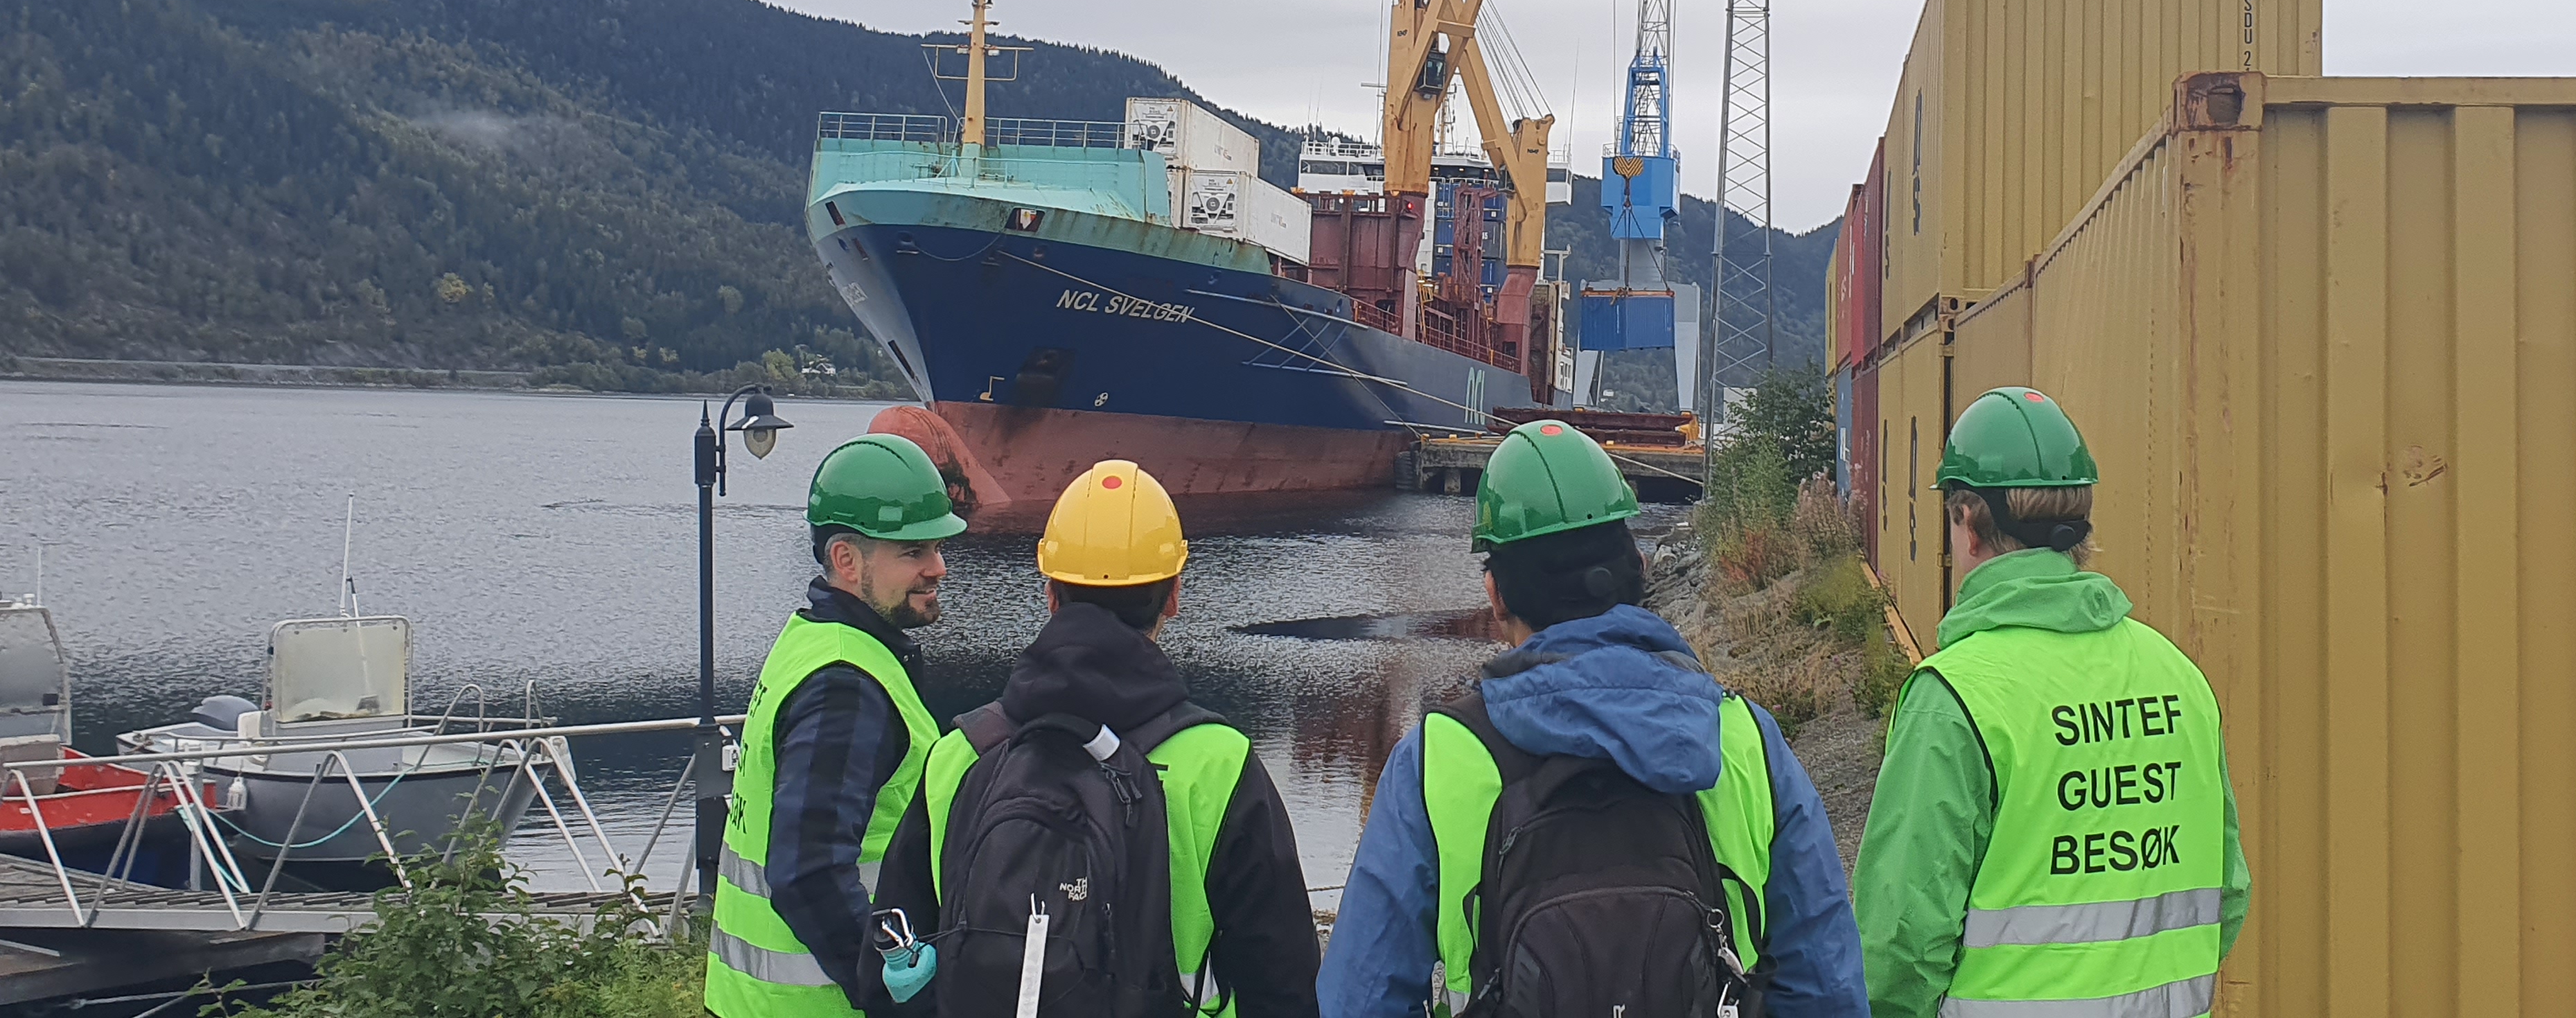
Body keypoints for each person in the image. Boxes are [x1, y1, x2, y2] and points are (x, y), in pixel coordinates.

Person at [1320, 420, 1869, 1018]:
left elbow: (1358, 997)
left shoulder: (1435, 762)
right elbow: (1827, 987)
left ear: (1495, 594)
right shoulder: (1745, 740)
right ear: (1640, 566)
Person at [865, 459, 1321, 1017]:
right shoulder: (1218, 765)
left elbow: (887, 969)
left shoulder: (960, 755)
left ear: (1051, 596)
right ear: (1174, 597)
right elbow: (1282, 982)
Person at [1850, 387, 2251, 1018]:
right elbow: (2226, 894)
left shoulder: (1954, 698)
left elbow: (1898, 946)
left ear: (1970, 523)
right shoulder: (2180, 679)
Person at [707, 432, 967, 1018]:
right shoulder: (846, 682)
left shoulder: (811, 640)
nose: (939, 568)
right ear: (847, 561)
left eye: (938, 548)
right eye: (914, 552)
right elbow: (808, 874)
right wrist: (896, 994)